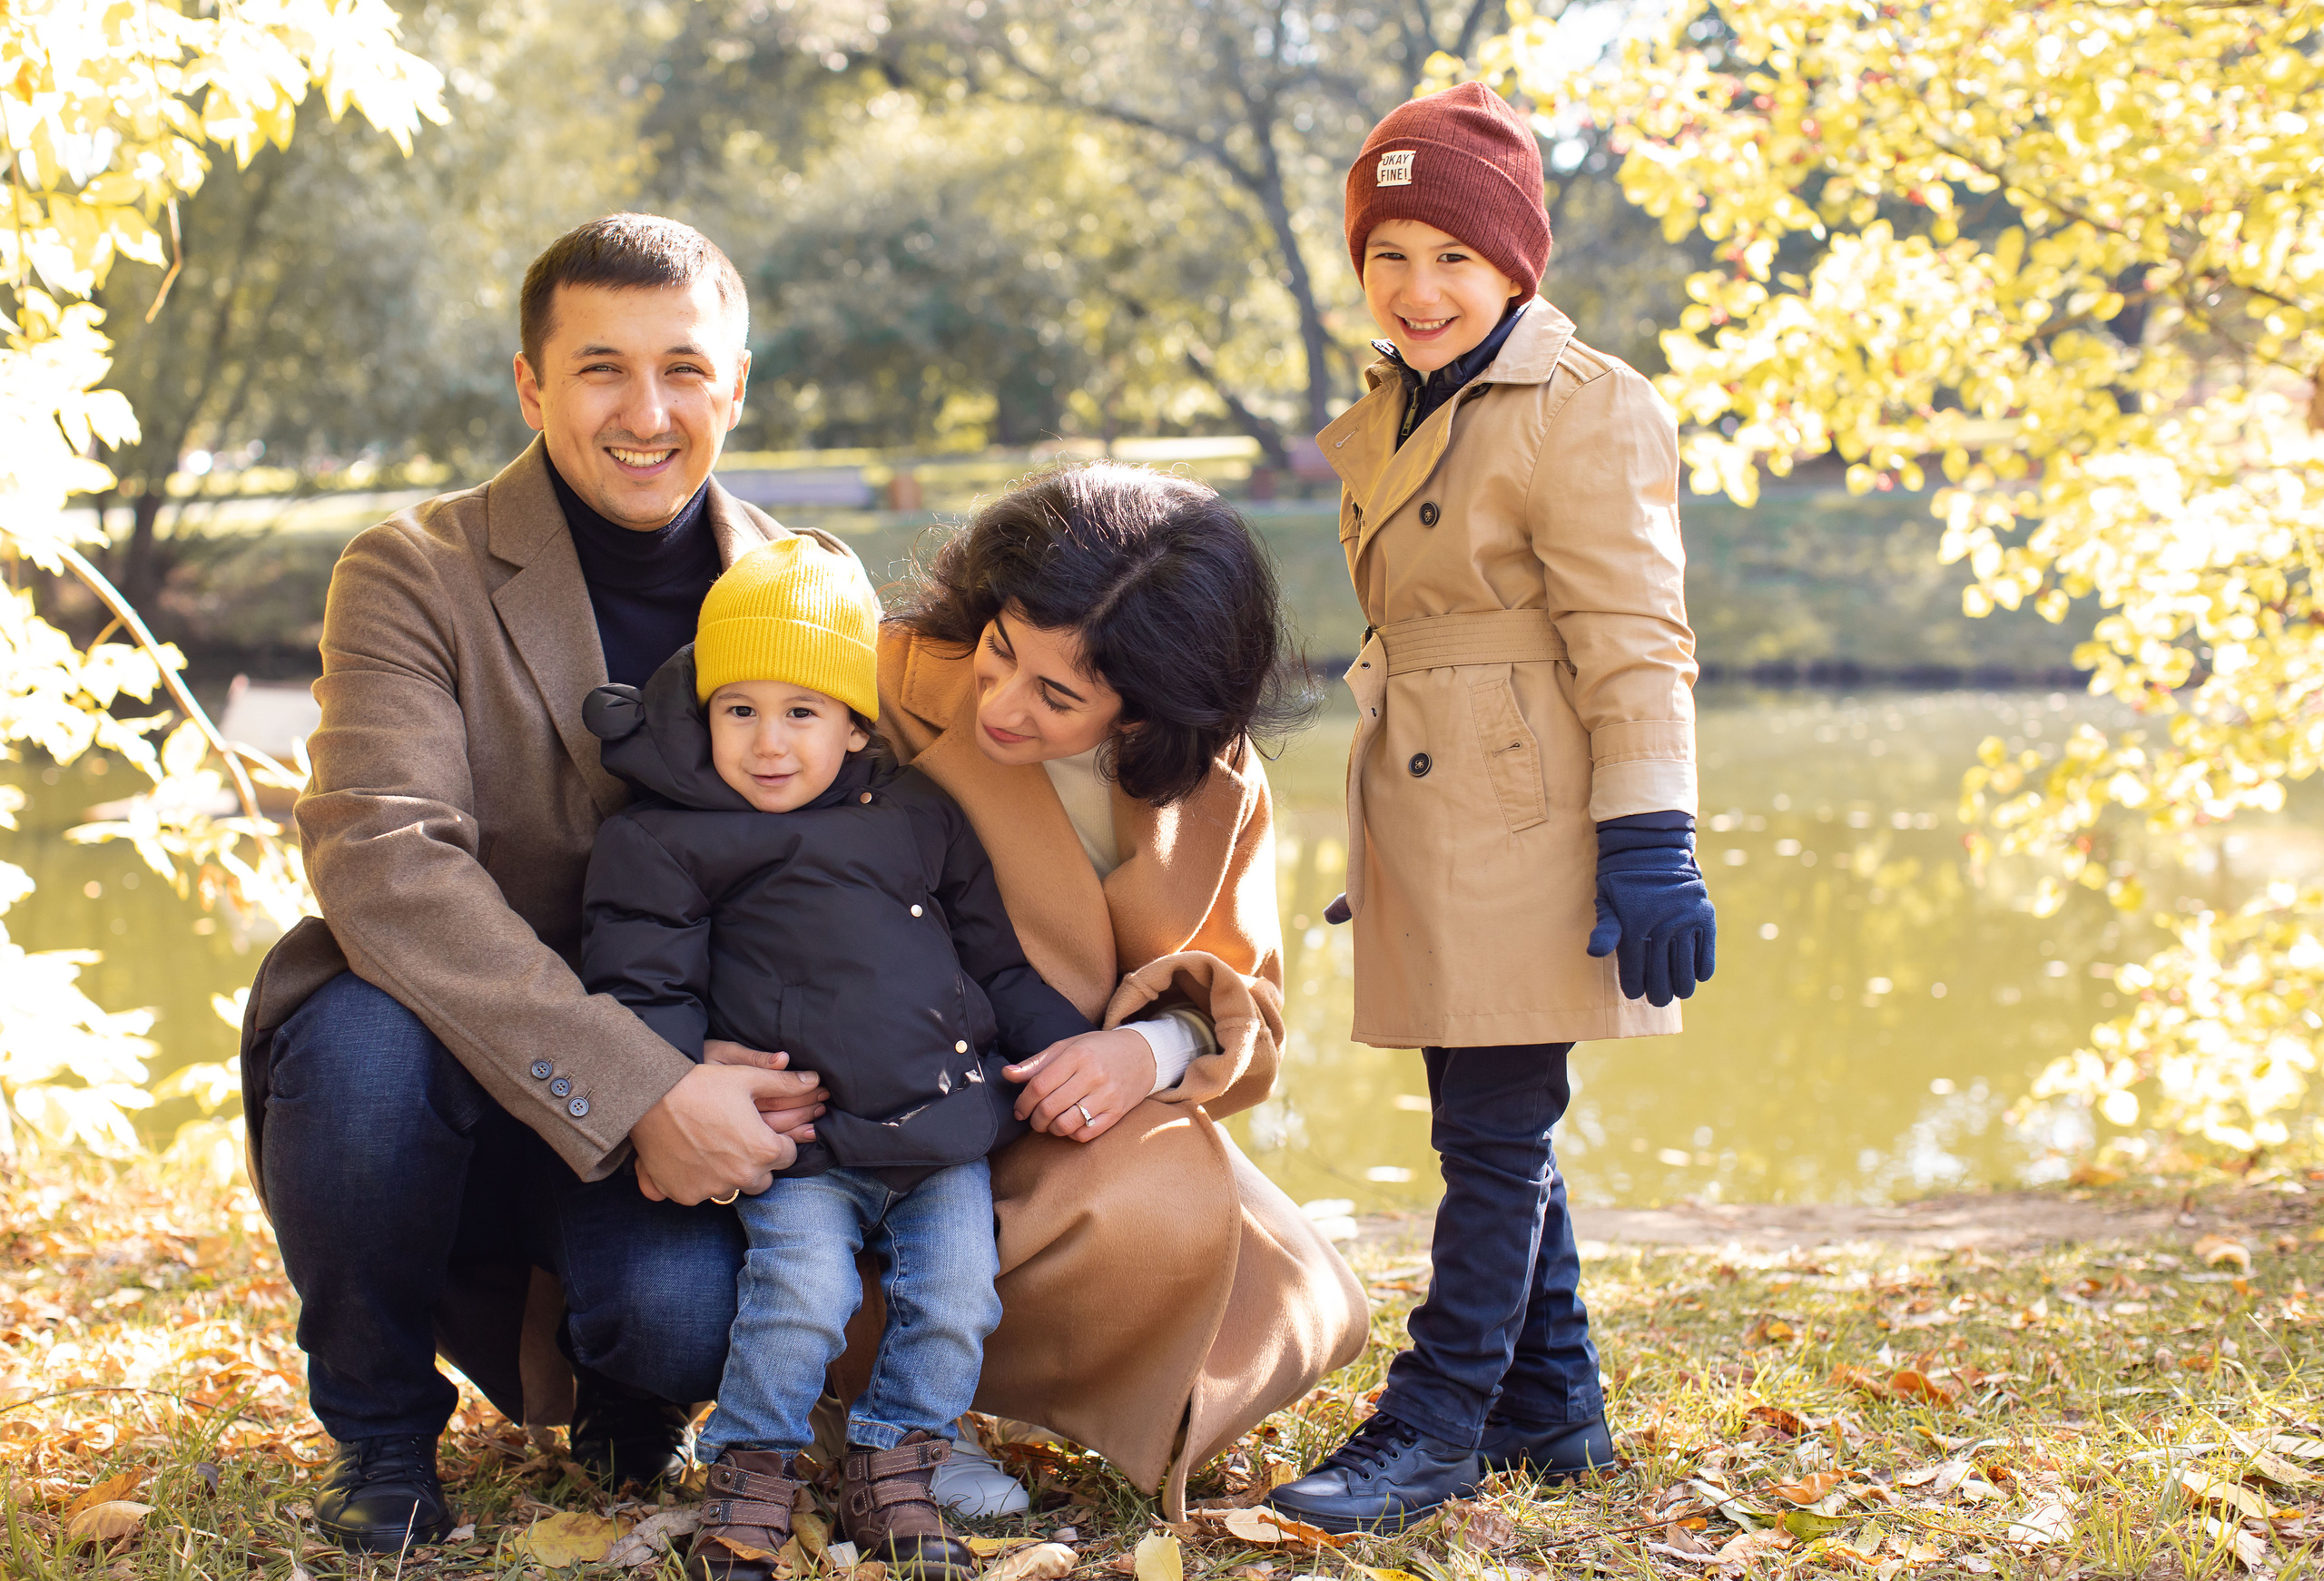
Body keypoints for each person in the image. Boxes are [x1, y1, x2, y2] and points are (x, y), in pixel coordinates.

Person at [236, 214, 838, 1551]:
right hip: (442, 1040)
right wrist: (640, 1080)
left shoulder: (814, 590)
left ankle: (632, 1388)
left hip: (684, 1054)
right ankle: (383, 1436)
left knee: (680, 1317)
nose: (647, 410)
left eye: (685, 368)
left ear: (737, 383)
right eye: (601, 368)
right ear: (531, 384)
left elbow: (858, 858)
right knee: (357, 1045)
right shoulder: (411, 572)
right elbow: (382, 859)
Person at [1265, 83, 1718, 1535]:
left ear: (1515, 262)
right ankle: (1553, 1405)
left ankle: (1440, 1416)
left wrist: (1651, 833)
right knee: (1485, 1111)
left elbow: (1639, 634)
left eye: (1450, 255)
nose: (1416, 288)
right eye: (1388, 255)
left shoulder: (1589, 406)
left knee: (1496, 1129)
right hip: (1429, 795)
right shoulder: (1401, 406)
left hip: (1537, 810)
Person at [579, 539, 1088, 1581]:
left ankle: (899, 1454)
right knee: (798, 1290)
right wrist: (669, 1082)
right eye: (740, 710)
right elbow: (644, 983)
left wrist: (1065, 1043)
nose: (769, 742)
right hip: (804, 1141)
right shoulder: (668, 838)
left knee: (955, 1292)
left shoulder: (917, 818)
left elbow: (992, 955)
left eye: (802, 712)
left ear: (855, 722)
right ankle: (752, 1467)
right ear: (703, 712)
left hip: (938, 1129)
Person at [872, 462, 1370, 1518]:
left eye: (1058, 695)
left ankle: (975, 1380)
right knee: (1160, 1215)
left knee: (1310, 1298)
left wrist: (1145, 1051)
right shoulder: (882, 680)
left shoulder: (1218, 771)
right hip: (891, 1104)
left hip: (1089, 1108)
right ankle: (894, 1412)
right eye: (1000, 652)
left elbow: (1248, 996)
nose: (1002, 704)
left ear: (1150, 707)